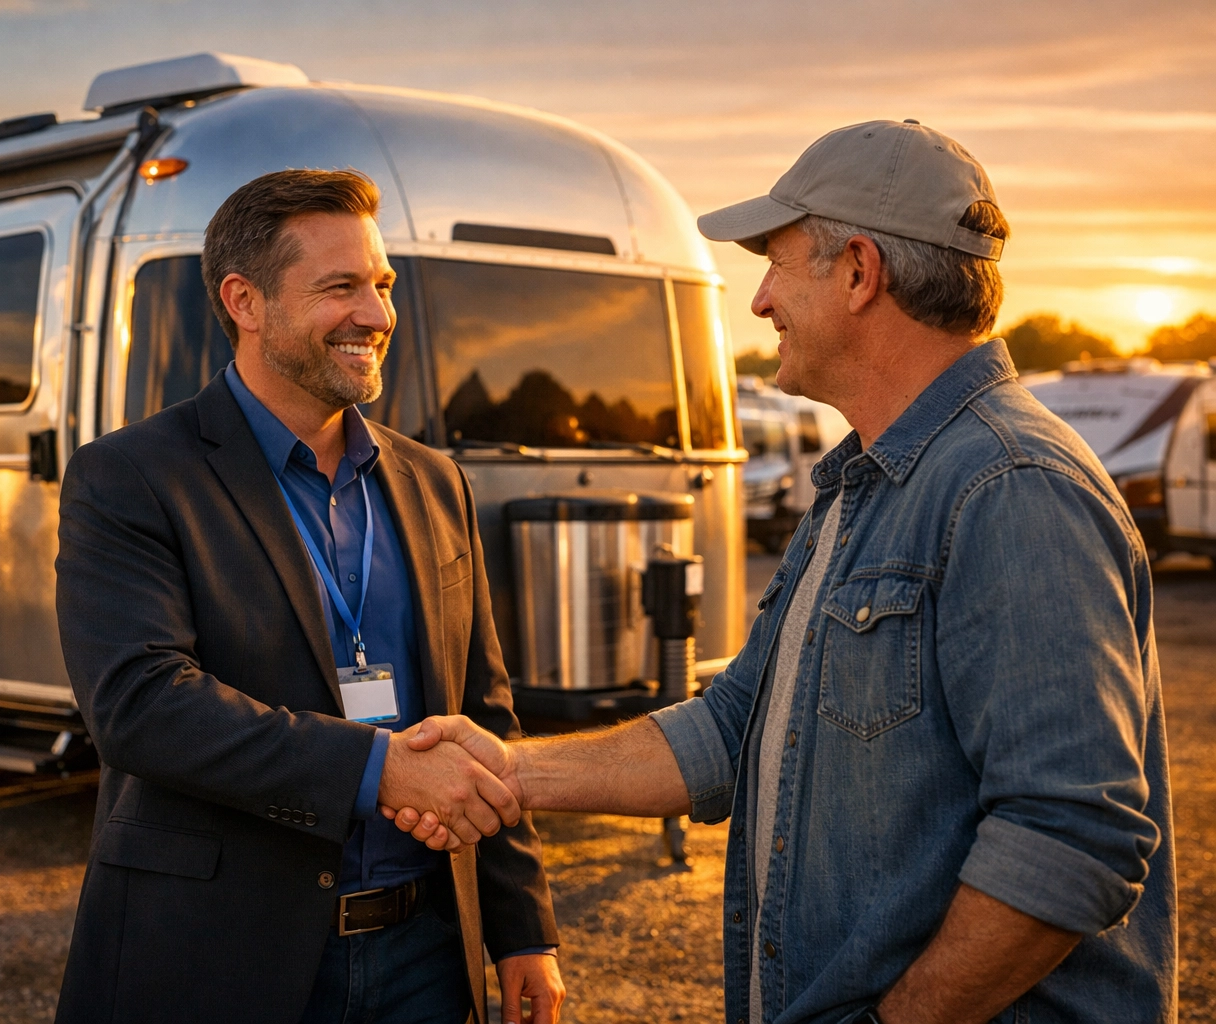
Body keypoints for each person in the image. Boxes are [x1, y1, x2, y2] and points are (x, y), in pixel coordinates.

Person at [387, 120, 1176, 1023]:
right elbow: (736, 727)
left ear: (858, 272)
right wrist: (509, 773)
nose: (759, 299)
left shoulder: (1011, 487)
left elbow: (1072, 839)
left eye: (777, 259)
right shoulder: (861, 483)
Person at [53, 169, 563, 1024]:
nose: (376, 313)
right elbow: (139, 706)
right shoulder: (131, 476)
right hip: (221, 961)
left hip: (425, 959)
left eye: (382, 285)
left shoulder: (437, 484)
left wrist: (522, 931)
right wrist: (379, 768)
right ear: (244, 300)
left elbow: (487, 715)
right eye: (341, 287)